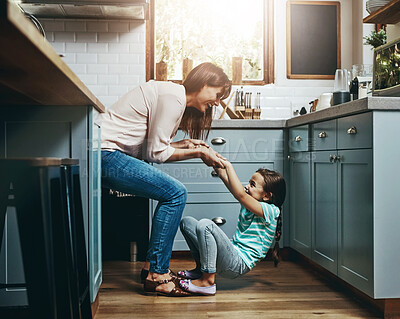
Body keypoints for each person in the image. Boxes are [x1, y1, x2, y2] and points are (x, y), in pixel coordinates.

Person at [100, 62, 231, 296]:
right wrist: (198, 152)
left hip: (107, 154)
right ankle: (157, 275)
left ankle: (151, 267)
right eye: (218, 94)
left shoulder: (172, 95)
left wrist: (187, 144)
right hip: (105, 155)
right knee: (175, 193)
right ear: (204, 83)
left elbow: (149, 148)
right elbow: (155, 155)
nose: (217, 102)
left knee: (171, 193)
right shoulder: (174, 97)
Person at [177, 161, 286, 296]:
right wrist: (218, 166)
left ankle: (207, 282)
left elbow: (239, 194)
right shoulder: (252, 204)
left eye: (252, 185)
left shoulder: (271, 211)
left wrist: (229, 166)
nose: (246, 186)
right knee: (186, 223)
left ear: (267, 196)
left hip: (237, 264)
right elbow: (233, 187)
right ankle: (201, 270)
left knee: (206, 225)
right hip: (232, 255)